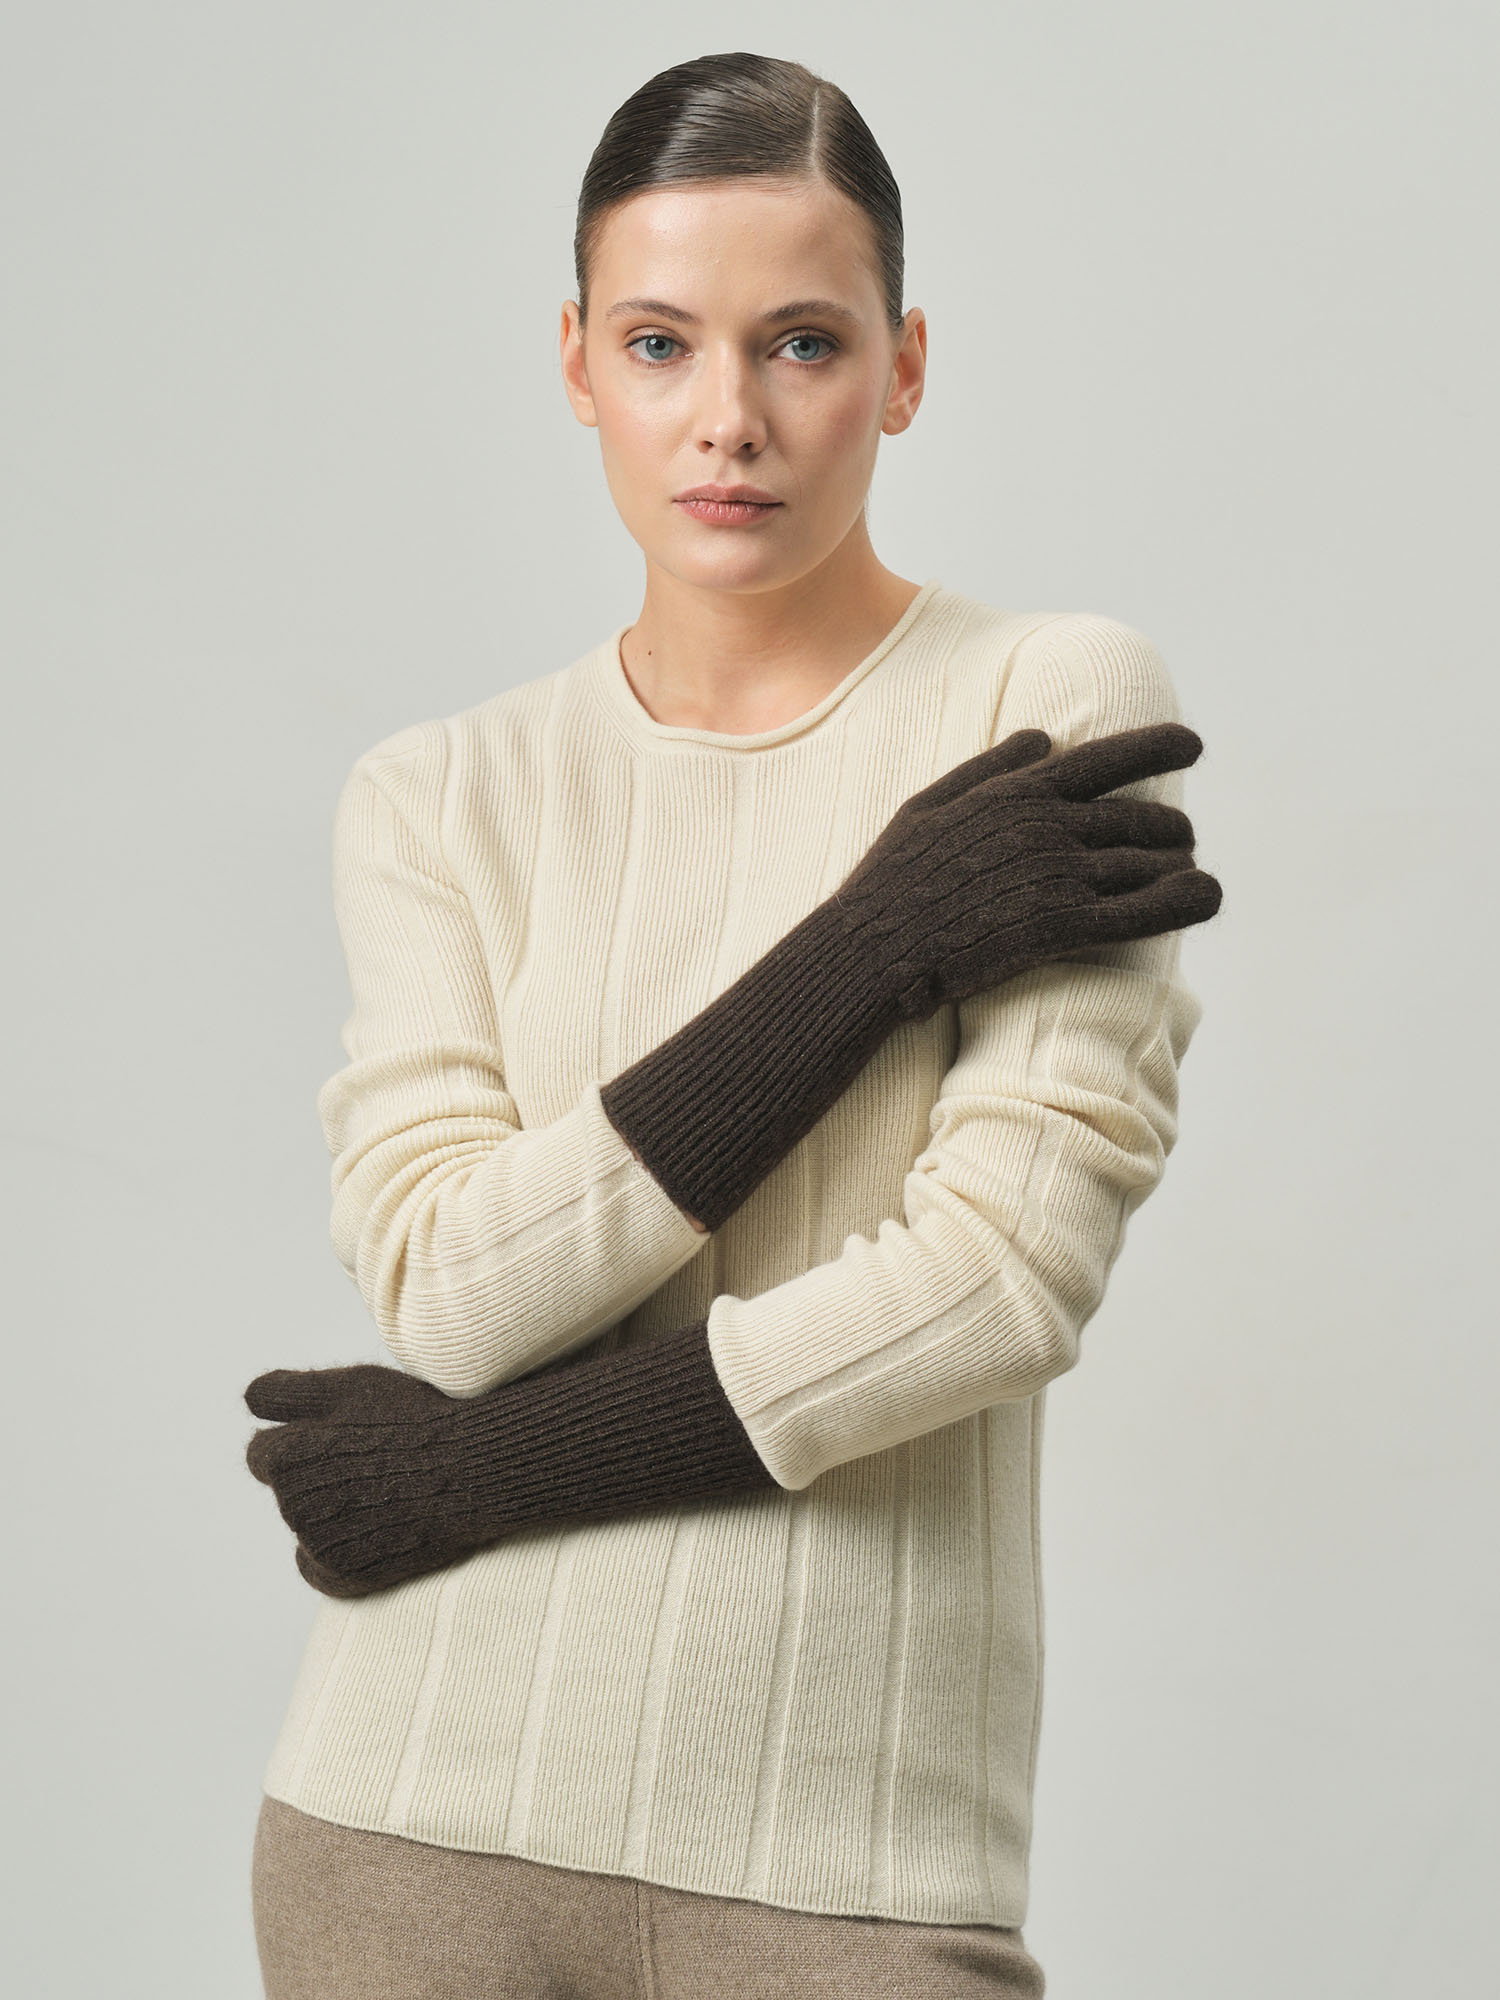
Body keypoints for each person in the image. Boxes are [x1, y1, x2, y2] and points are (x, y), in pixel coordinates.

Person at [245, 50, 1222, 2000]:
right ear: (577, 364)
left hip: (844, 1861)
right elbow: (455, 1291)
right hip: (404, 1819)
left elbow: (997, 1283)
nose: (730, 419)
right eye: (660, 343)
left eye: (802, 343)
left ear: (905, 367)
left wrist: (477, 1473)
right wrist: (864, 953)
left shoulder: (1046, 707)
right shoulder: (438, 794)